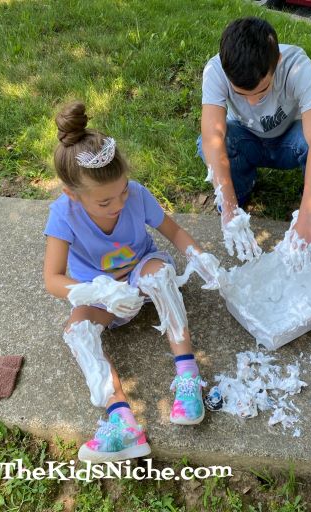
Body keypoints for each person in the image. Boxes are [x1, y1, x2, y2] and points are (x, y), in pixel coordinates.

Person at [43, 101, 209, 463]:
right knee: (77, 330)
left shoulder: (135, 194)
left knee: (160, 274)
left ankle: (187, 375)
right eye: (105, 202)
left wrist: (200, 256)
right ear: (72, 194)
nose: (118, 203)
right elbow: (52, 279)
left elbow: (174, 232)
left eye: (122, 192)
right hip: (102, 295)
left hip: (141, 275)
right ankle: (122, 420)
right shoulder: (62, 215)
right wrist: (96, 291)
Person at [198, 16, 311, 258]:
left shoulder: (298, 67)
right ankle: (240, 193)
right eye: (241, 94)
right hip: (246, 140)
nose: (253, 102)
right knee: (208, 144)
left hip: (289, 142)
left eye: (262, 90)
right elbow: (213, 135)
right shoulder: (215, 70)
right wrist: (228, 206)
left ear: (278, 61)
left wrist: (308, 213)